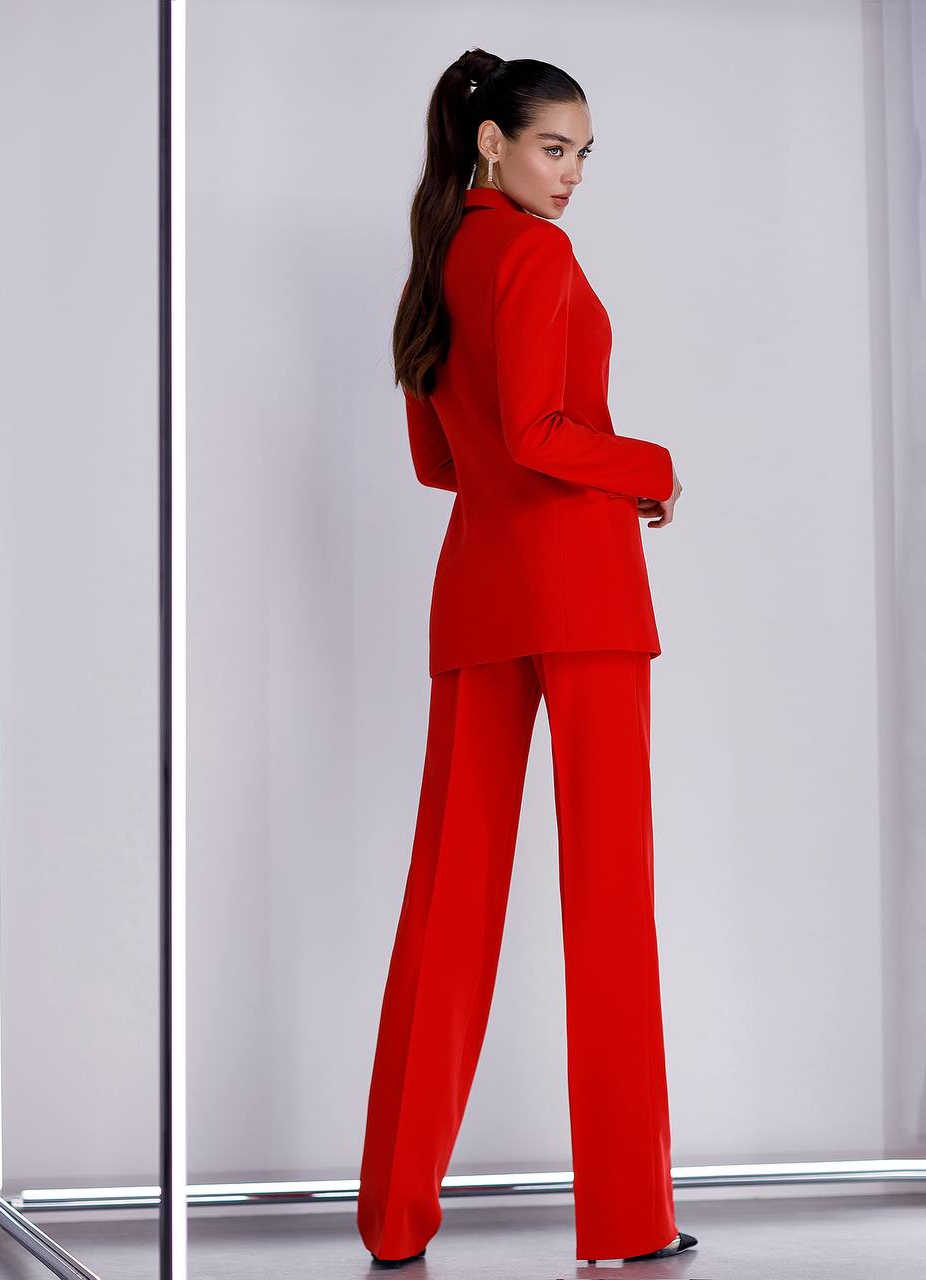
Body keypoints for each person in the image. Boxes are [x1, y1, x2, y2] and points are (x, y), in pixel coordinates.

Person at [356, 46, 697, 1269]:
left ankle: (394, 1217)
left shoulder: (438, 259)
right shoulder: (539, 256)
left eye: (584, 154)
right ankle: (626, 1218)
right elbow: (543, 431)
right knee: (609, 902)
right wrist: (647, 469)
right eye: (555, 147)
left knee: (446, 898)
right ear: (492, 138)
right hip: (584, 597)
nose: (572, 176)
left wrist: (557, 466)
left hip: (478, 594)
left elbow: (442, 463)